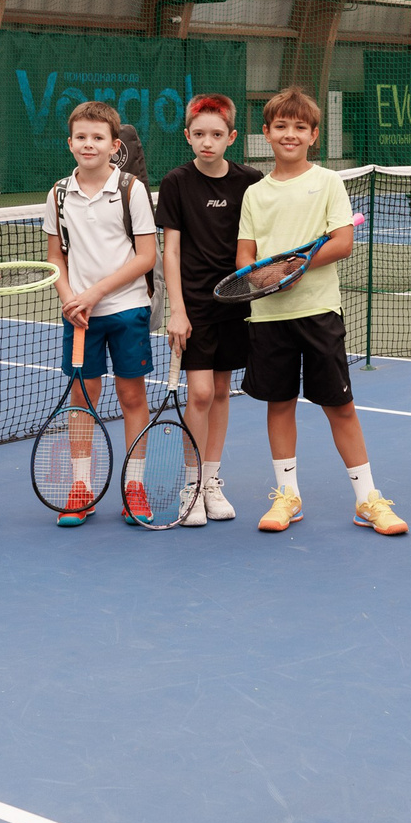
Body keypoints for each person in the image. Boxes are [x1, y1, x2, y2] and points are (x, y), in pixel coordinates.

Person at [240, 85, 404, 535]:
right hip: (269, 317)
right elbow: (244, 257)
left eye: (299, 127)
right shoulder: (255, 194)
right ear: (266, 133)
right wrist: (260, 277)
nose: (289, 134)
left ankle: (368, 499)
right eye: (280, 126)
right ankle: (287, 497)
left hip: (318, 313)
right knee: (280, 403)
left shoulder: (329, 181)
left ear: (314, 134)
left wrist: (295, 266)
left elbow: (343, 241)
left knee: (341, 405)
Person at [43, 100, 160, 525]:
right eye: (81, 137)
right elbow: (55, 256)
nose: (88, 144)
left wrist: (92, 294)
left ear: (114, 146)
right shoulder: (57, 193)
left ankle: (135, 487)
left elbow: (146, 256)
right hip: (79, 316)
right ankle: (80, 487)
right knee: (83, 399)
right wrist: (68, 296)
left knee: (132, 397)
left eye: (97, 138)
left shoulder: (132, 190)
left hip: (127, 310)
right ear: (69, 142)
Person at [157, 93, 261, 525]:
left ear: (231, 137)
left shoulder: (251, 181)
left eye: (216, 135)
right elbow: (171, 251)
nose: (207, 142)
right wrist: (176, 310)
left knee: (221, 391)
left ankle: (212, 482)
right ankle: (192, 484)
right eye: (199, 134)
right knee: (199, 393)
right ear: (187, 135)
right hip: (194, 304)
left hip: (236, 302)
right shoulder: (177, 182)